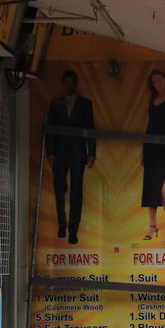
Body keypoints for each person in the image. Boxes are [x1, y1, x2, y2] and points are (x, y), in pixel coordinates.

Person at [45, 69, 97, 245]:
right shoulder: (55, 103)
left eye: (72, 82)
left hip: (78, 153)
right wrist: (49, 152)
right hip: (59, 153)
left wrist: (91, 153)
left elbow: (91, 130)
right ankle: (62, 224)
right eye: (66, 82)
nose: (69, 86)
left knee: (76, 192)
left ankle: (73, 230)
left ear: (76, 84)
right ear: (63, 84)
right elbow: (49, 130)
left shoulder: (85, 103)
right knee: (59, 190)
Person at [141, 69, 165, 245]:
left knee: (163, 188)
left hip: (163, 145)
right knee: (150, 186)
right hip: (150, 145)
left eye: (159, 80)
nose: (156, 84)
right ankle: (152, 224)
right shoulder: (152, 100)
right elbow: (147, 124)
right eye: (153, 81)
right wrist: (143, 149)